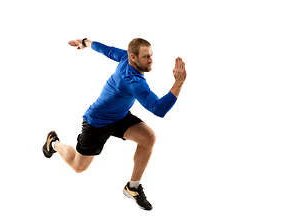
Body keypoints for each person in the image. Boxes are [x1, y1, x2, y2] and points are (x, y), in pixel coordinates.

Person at [42, 38, 187, 210]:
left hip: (119, 116)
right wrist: (178, 83)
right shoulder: (134, 82)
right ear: (133, 57)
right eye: (146, 56)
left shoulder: (125, 57)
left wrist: (85, 42)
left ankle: (132, 187)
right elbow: (158, 109)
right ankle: (54, 143)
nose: (151, 60)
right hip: (96, 121)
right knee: (78, 166)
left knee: (148, 138)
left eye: (151, 55)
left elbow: (107, 50)